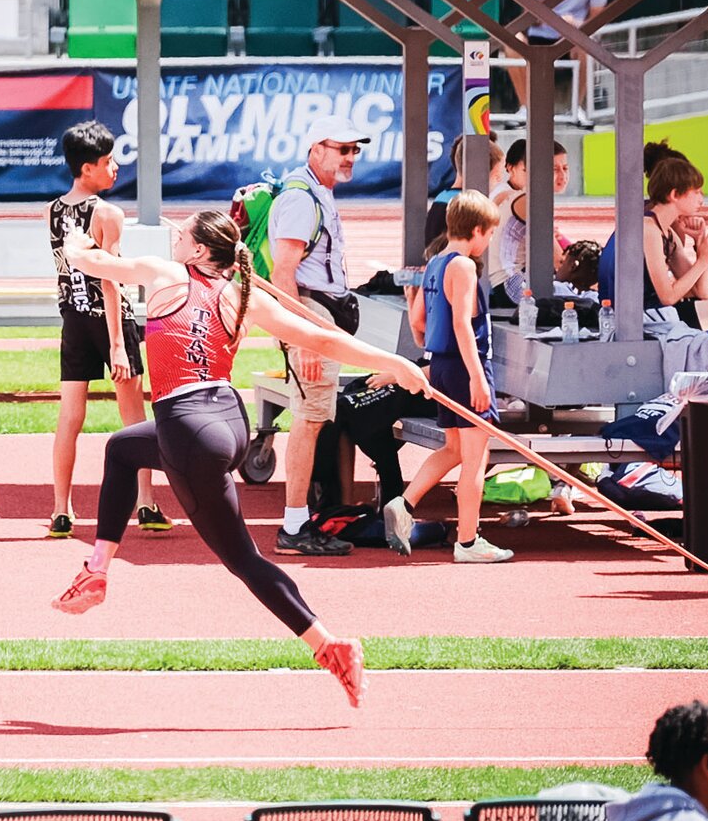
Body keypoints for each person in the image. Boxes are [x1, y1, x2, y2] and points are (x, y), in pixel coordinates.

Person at [49, 210, 430, 707]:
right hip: (229, 421)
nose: (175, 237)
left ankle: (329, 645)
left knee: (241, 559)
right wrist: (394, 362)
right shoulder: (241, 296)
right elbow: (321, 339)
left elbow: (88, 261)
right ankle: (96, 569)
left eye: (182, 234)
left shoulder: (164, 274)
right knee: (122, 449)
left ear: (201, 251)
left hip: (188, 429)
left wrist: (75, 240)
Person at [46, 121, 169, 539]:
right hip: (107, 321)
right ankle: (146, 504)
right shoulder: (108, 213)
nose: (115, 167)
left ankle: (61, 509)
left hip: (73, 321)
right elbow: (111, 279)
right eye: (106, 161)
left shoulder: (53, 210)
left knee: (70, 416)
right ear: (86, 169)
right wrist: (118, 344)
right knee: (134, 417)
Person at [384, 191, 514, 564]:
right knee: (476, 457)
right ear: (476, 230)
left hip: (441, 364)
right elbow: (462, 324)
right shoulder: (464, 267)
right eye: (489, 234)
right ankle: (469, 542)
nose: (489, 242)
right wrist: (477, 377)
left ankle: (404, 504)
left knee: (454, 449)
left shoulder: (436, 263)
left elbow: (418, 322)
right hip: (463, 365)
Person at [269, 115, 370, 556]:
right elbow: (282, 274)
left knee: (313, 420)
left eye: (355, 150)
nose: (350, 157)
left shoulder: (317, 193)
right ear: (316, 149)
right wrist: (303, 338)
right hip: (310, 314)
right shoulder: (301, 199)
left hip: (317, 313)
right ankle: (293, 527)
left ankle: (302, 519)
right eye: (342, 148)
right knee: (308, 421)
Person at [596, 158, 708, 371]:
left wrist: (698, 245)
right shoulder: (648, 230)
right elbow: (668, 296)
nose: (702, 198)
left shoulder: (665, 232)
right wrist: (704, 260)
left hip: (654, 312)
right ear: (674, 194)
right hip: (640, 319)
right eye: (697, 191)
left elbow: (701, 292)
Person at [507, 0, 609, 129]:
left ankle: (576, 108)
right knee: (513, 40)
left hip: (572, 35)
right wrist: (552, 19)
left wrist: (574, 23)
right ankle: (525, 108)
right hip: (540, 34)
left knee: (585, 42)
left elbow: (596, 18)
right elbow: (528, 13)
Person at [487, 139, 571, 307]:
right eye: (554, 169)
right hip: (510, 284)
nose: (562, 175)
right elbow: (558, 260)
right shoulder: (525, 200)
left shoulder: (522, 196)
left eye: (565, 168)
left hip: (504, 281)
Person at [424, 133, 503, 251]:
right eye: (496, 176)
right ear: (478, 170)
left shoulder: (442, 197)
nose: (500, 179)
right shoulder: (466, 206)